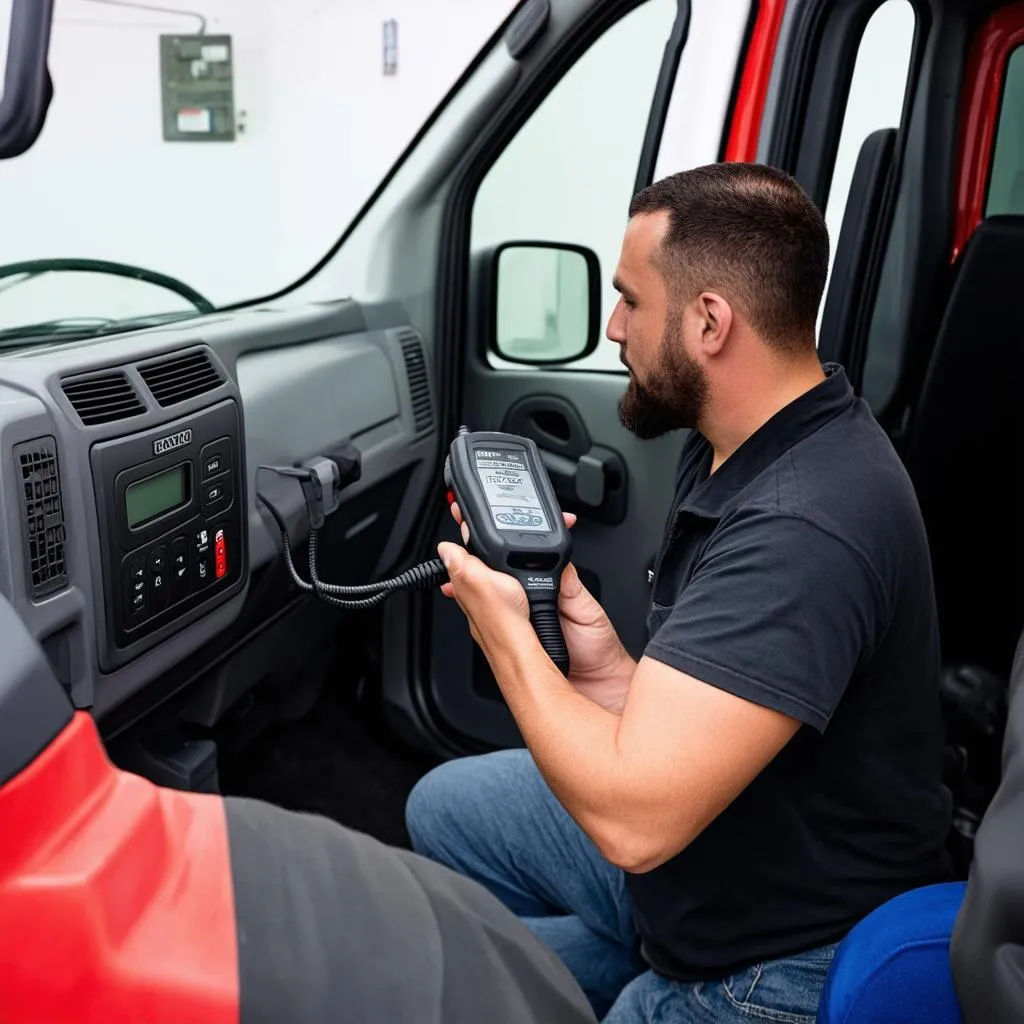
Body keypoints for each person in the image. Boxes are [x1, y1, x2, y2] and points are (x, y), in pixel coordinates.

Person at [405, 163, 953, 1023]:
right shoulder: (741, 437)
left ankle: (653, 984)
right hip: (723, 840)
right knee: (442, 810)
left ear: (708, 322)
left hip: (783, 948)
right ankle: (635, 954)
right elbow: (715, 704)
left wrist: (504, 632)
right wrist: (605, 663)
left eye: (630, 298)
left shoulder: (807, 523)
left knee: (466, 990)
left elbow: (634, 827)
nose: (614, 325)